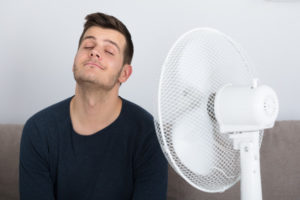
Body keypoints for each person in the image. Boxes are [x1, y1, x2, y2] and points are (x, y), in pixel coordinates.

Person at [19, 12, 168, 200]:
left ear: (124, 73)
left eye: (109, 51)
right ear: (74, 61)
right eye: (88, 45)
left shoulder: (149, 135)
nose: (94, 52)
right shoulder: (38, 130)